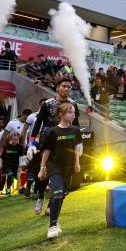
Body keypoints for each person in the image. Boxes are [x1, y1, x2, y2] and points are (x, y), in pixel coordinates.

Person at [28, 79, 81, 214]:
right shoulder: (47, 104)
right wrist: (31, 143)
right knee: (44, 173)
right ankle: (40, 196)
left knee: (64, 176)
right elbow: (38, 123)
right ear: (57, 88)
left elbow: (77, 126)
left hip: (65, 144)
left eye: (69, 87)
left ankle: (52, 204)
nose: (67, 89)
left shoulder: (73, 104)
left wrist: (79, 144)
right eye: (64, 86)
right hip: (47, 143)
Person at [39, 103, 82, 239]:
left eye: (74, 112)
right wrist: (42, 168)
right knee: (57, 193)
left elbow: (76, 148)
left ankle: (55, 221)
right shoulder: (53, 131)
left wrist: (77, 162)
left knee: (62, 194)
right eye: (70, 112)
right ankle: (52, 226)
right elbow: (47, 151)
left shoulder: (75, 130)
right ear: (61, 114)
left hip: (68, 167)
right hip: (54, 166)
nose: (73, 115)